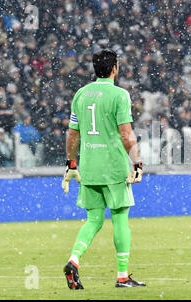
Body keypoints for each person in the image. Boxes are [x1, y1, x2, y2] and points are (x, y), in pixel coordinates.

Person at [61, 49, 145, 289]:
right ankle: (122, 276)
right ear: (115, 68)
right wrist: (137, 163)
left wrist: (71, 163)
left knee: (93, 219)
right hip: (114, 167)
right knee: (120, 218)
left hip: (89, 166)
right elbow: (126, 134)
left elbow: (72, 134)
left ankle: (74, 260)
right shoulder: (119, 95)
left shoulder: (81, 94)